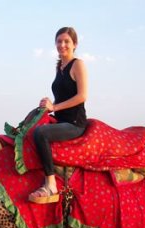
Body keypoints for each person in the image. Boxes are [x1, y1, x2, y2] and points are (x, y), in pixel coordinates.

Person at [29, 26, 88, 204]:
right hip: (62, 119)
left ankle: (51, 184)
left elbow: (82, 96)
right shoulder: (60, 67)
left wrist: (54, 106)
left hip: (74, 123)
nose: (62, 44)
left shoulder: (78, 64)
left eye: (66, 41)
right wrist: (48, 105)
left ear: (75, 44)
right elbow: (62, 96)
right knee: (32, 124)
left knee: (41, 133)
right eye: (59, 41)